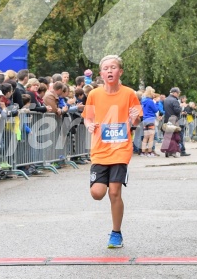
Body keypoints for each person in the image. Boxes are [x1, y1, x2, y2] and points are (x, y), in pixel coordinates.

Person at [83, 54, 142, 249]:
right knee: (97, 193)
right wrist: (90, 125)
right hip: (100, 149)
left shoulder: (129, 93)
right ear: (101, 73)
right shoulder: (94, 94)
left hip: (120, 149)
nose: (109, 70)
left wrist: (134, 119)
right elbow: (88, 118)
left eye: (113, 67)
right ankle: (115, 231)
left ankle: (116, 233)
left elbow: (137, 120)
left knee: (114, 192)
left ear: (120, 71)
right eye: (106, 68)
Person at [164, 87, 190, 156]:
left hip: (167, 120)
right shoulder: (174, 100)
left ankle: (168, 151)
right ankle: (179, 151)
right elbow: (177, 110)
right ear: (175, 93)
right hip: (175, 120)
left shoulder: (166, 99)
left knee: (169, 136)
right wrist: (181, 107)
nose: (178, 94)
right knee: (177, 137)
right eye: (178, 93)